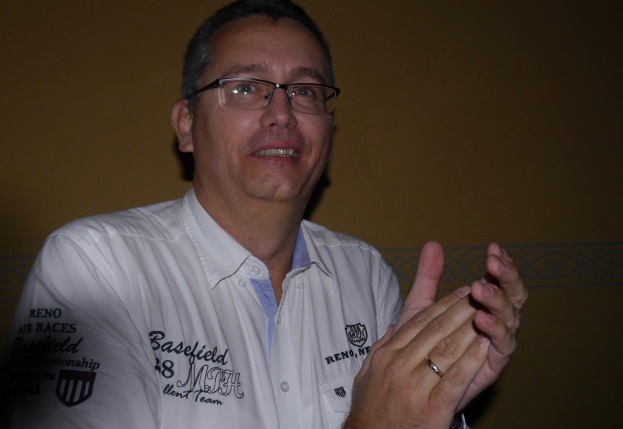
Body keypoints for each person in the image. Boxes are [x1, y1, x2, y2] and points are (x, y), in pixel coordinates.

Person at [1, 1, 527, 428]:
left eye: (305, 91)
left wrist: (432, 402)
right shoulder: (96, 265)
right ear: (186, 124)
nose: (282, 113)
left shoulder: (365, 274)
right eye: (246, 87)